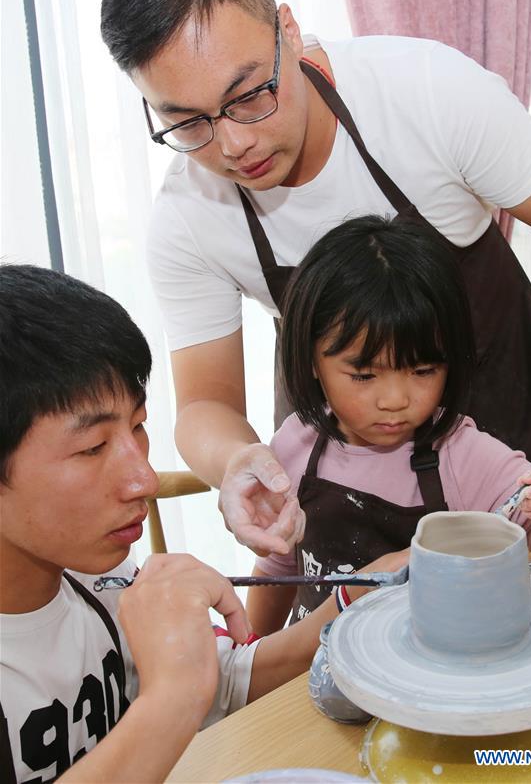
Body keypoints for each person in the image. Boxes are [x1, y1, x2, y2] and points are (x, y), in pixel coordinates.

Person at [100, 0, 531, 557]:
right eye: (186, 123)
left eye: (249, 95)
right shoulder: (188, 215)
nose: (233, 144)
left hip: (500, 419)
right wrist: (239, 460)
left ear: (288, 34)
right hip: (345, 465)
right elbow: (205, 401)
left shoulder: (426, 92)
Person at [0, 264, 405, 783]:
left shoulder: (99, 589)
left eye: (139, 427)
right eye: (93, 447)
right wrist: (170, 698)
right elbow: (186, 692)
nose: (144, 480)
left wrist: (351, 601)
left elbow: (228, 679)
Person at [246, 216, 531, 634]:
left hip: (431, 681)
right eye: (363, 375)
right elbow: (277, 569)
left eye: (423, 370)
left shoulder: (465, 458)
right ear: (312, 362)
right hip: (310, 671)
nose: (395, 400)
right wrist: (251, 659)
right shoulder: (295, 445)